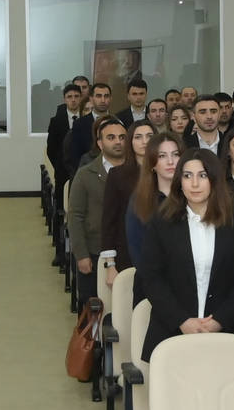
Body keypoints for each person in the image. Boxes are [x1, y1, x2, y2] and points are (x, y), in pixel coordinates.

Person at [132, 147, 234, 360]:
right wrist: (182, 320)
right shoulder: (161, 222)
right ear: (179, 182)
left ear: (215, 180)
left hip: (225, 332)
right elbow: (152, 278)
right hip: (171, 332)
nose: (195, 184)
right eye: (187, 176)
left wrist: (220, 320)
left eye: (202, 176)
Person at [68, 117, 128, 302]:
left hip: (129, 251)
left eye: (122, 137)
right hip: (95, 252)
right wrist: (81, 255)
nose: (118, 142)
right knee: (93, 306)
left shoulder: (139, 173)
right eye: (111, 137)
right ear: (100, 143)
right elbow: (75, 216)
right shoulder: (86, 174)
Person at [100, 120, 153, 271]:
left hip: (161, 252)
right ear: (130, 142)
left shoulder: (166, 173)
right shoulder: (117, 175)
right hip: (127, 252)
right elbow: (109, 222)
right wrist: (110, 264)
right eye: (138, 137)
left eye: (149, 136)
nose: (145, 142)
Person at [126, 131, 183, 267]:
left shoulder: (193, 196)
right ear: (152, 163)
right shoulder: (140, 200)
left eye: (175, 154)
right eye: (162, 156)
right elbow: (138, 252)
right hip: (152, 275)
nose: (170, 161)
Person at [45, 85, 85, 182]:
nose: (73, 100)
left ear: (81, 98)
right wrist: (58, 166)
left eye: (76, 96)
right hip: (62, 171)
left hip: (84, 169)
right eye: (69, 97)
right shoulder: (56, 121)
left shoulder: (87, 119)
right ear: (64, 99)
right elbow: (51, 149)